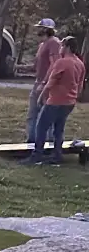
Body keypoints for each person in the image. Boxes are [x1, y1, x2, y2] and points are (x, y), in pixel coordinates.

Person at [29, 36, 86, 165]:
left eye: (62, 46)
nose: (60, 48)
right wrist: (73, 96)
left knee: (41, 127)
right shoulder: (80, 64)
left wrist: (41, 96)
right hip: (69, 102)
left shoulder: (62, 62)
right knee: (58, 129)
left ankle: (37, 156)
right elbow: (80, 85)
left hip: (55, 101)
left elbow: (51, 82)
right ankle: (57, 156)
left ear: (68, 47)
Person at [27, 19, 62, 147]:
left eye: (40, 28)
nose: (38, 30)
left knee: (47, 114)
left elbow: (55, 64)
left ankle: (49, 144)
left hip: (46, 84)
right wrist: (18, 67)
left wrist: (44, 83)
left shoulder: (54, 42)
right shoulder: (42, 44)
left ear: (47, 29)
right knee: (33, 114)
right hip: (38, 82)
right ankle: (32, 142)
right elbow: (37, 65)